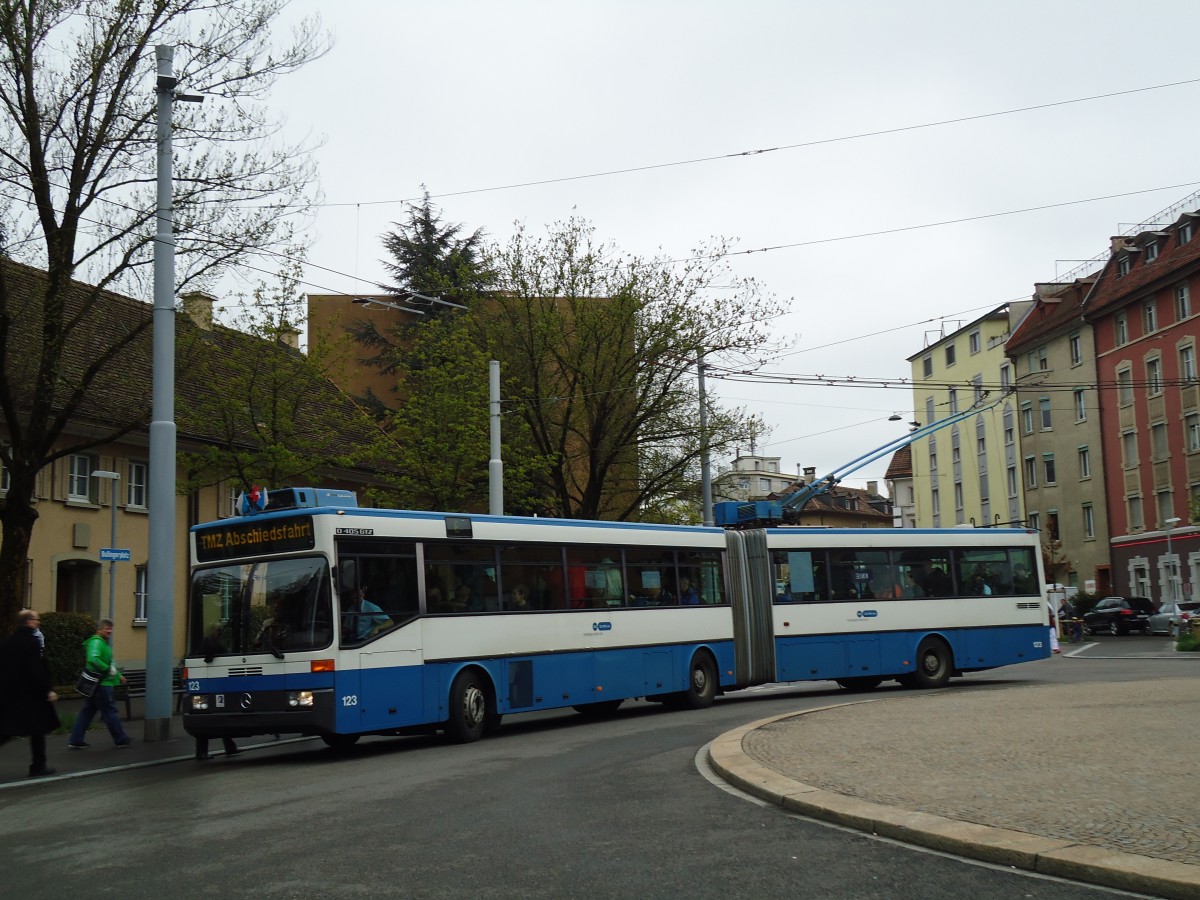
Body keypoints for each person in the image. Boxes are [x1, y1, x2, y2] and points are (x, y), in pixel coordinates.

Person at [0, 609, 60, 777]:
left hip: (9, 695)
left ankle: (39, 765)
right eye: (36, 619)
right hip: (31, 696)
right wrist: (48, 690)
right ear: (28, 622)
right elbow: (36, 670)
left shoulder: (6, 641)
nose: (38, 622)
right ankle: (38, 766)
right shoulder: (32, 643)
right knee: (38, 730)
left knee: (6, 730)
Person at [68, 618, 132, 749]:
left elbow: (105, 661)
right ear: (99, 629)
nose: (110, 631)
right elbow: (93, 659)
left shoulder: (101, 643)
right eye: (107, 628)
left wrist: (119, 675)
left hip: (97, 684)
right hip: (102, 684)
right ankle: (121, 739)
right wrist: (109, 670)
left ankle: (75, 740)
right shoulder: (97, 642)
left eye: (111, 628)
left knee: (88, 711)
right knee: (110, 711)